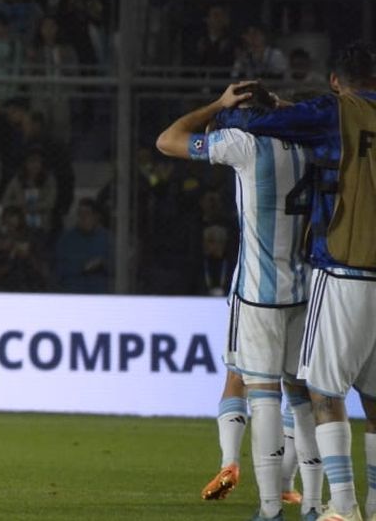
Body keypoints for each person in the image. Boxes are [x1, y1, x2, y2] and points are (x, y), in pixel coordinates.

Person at [221, 42, 376, 521]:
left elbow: (256, 125)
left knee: (324, 392)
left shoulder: (334, 112)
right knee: (373, 396)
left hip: (344, 267)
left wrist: (247, 108)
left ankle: (342, 507)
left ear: (335, 80)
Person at [156, 81, 324, 520]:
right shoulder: (316, 147)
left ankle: (269, 510)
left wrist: (217, 103)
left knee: (262, 394)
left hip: (258, 293)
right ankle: (312, 505)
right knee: (304, 398)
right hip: (307, 291)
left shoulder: (243, 146)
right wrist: (287, 105)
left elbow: (167, 141)